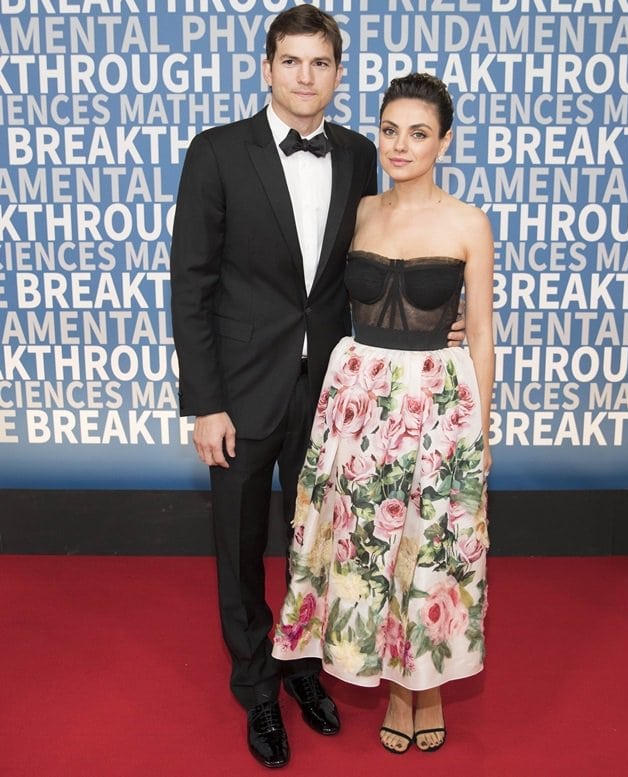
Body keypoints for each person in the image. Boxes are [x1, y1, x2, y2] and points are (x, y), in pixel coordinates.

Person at [169, 8, 465, 769]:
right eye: (291, 62)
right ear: (267, 68)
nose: (306, 76)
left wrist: (437, 324)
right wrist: (205, 401)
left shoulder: (365, 154)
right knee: (238, 545)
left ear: (339, 72)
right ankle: (257, 687)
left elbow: (374, 263)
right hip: (240, 390)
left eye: (321, 63)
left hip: (338, 395)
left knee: (323, 543)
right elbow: (191, 284)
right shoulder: (216, 153)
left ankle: (304, 667)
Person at [272, 72, 494, 756]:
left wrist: (481, 429)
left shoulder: (467, 222)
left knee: (430, 544)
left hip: (439, 405)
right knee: (368, 545)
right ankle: (392, 679)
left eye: (419, 133)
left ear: (444, 141)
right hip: (360, 403)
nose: (401, 145)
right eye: (390, 130)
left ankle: (421, 686)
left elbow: (481, 330)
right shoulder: (363, 210)